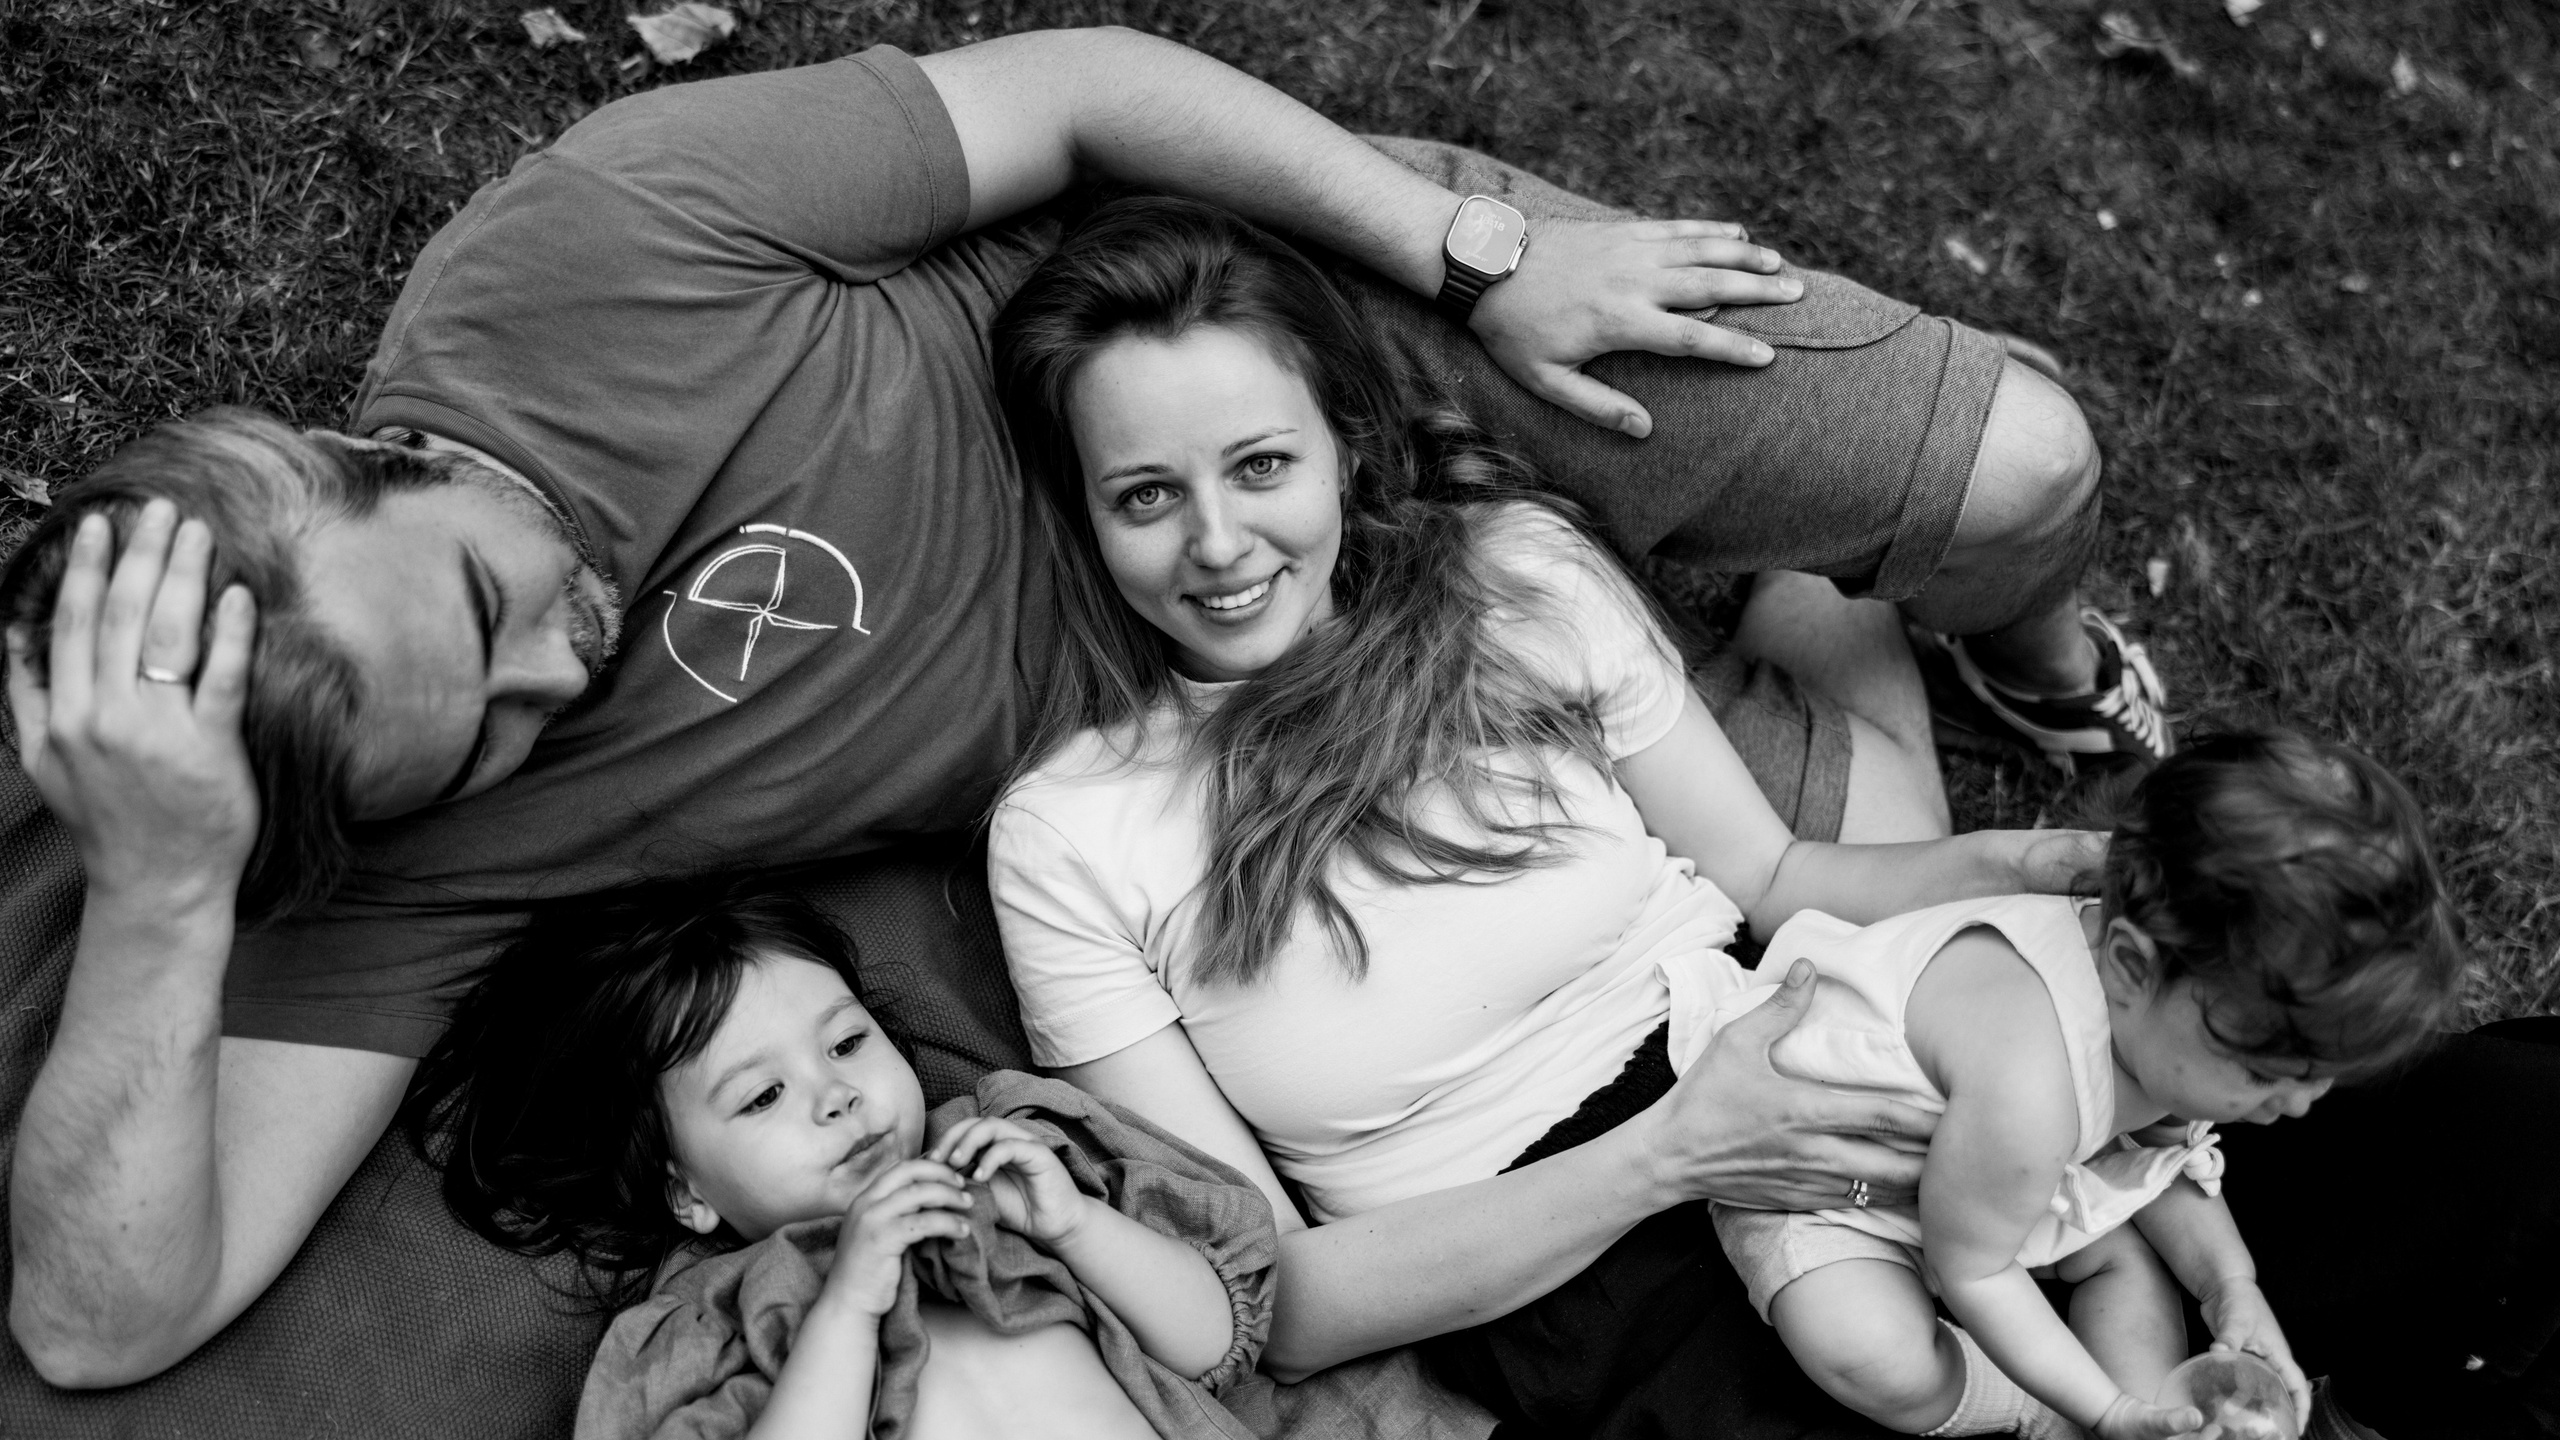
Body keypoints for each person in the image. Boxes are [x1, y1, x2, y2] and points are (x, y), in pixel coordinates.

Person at [0, 27, 2137, 1385]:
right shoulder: (383, 872)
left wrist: (1469, 253)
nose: (563, 663)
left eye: (489, 593)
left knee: (2020, 470)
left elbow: (1090, 85)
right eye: (480, 727)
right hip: (1276, 701)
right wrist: (168, 898)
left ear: (364, 448)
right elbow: (102, 1325)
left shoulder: (582, 254)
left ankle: (2009, 638)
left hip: (1247, 351)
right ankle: (1795, 621)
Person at [980, 196, 2557, 1440]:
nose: (1218, 545)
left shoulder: (1508, 583)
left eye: (1260, 465)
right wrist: (1673, 1155)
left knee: (2502, 1136)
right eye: (1144, 496)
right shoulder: (1071, 838)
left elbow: (1775, 873)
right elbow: (1275, 1303)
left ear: (1338, 441)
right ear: (1082, 513)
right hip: (1582, 1257)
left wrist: (2001, 868)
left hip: (1822, 1034)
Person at [1690, 731, 2459, 1439]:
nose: (2298, 1105)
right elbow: (1976, 1271)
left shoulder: (2154, 1016)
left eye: (2321, 1077)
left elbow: (2163, 1158)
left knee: (2125, 1265)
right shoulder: (2027, 1080)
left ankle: (2155, 1420)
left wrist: (2230, 1286)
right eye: (2266, 1073)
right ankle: (2040, 1410)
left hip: (1989, 1181)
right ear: (2129, 965)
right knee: (1867, 1349)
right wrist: (2098, 1404)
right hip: (1831, 1180)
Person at [403, 882, 1274, 1440]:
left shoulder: (1007, 1160)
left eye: (849, 1042)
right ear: (686, 1192)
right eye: (763, 1096)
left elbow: (1218, 1344)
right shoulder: (718, 1323)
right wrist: (848, 1309)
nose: (836, 1095)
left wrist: (1078, 1227)